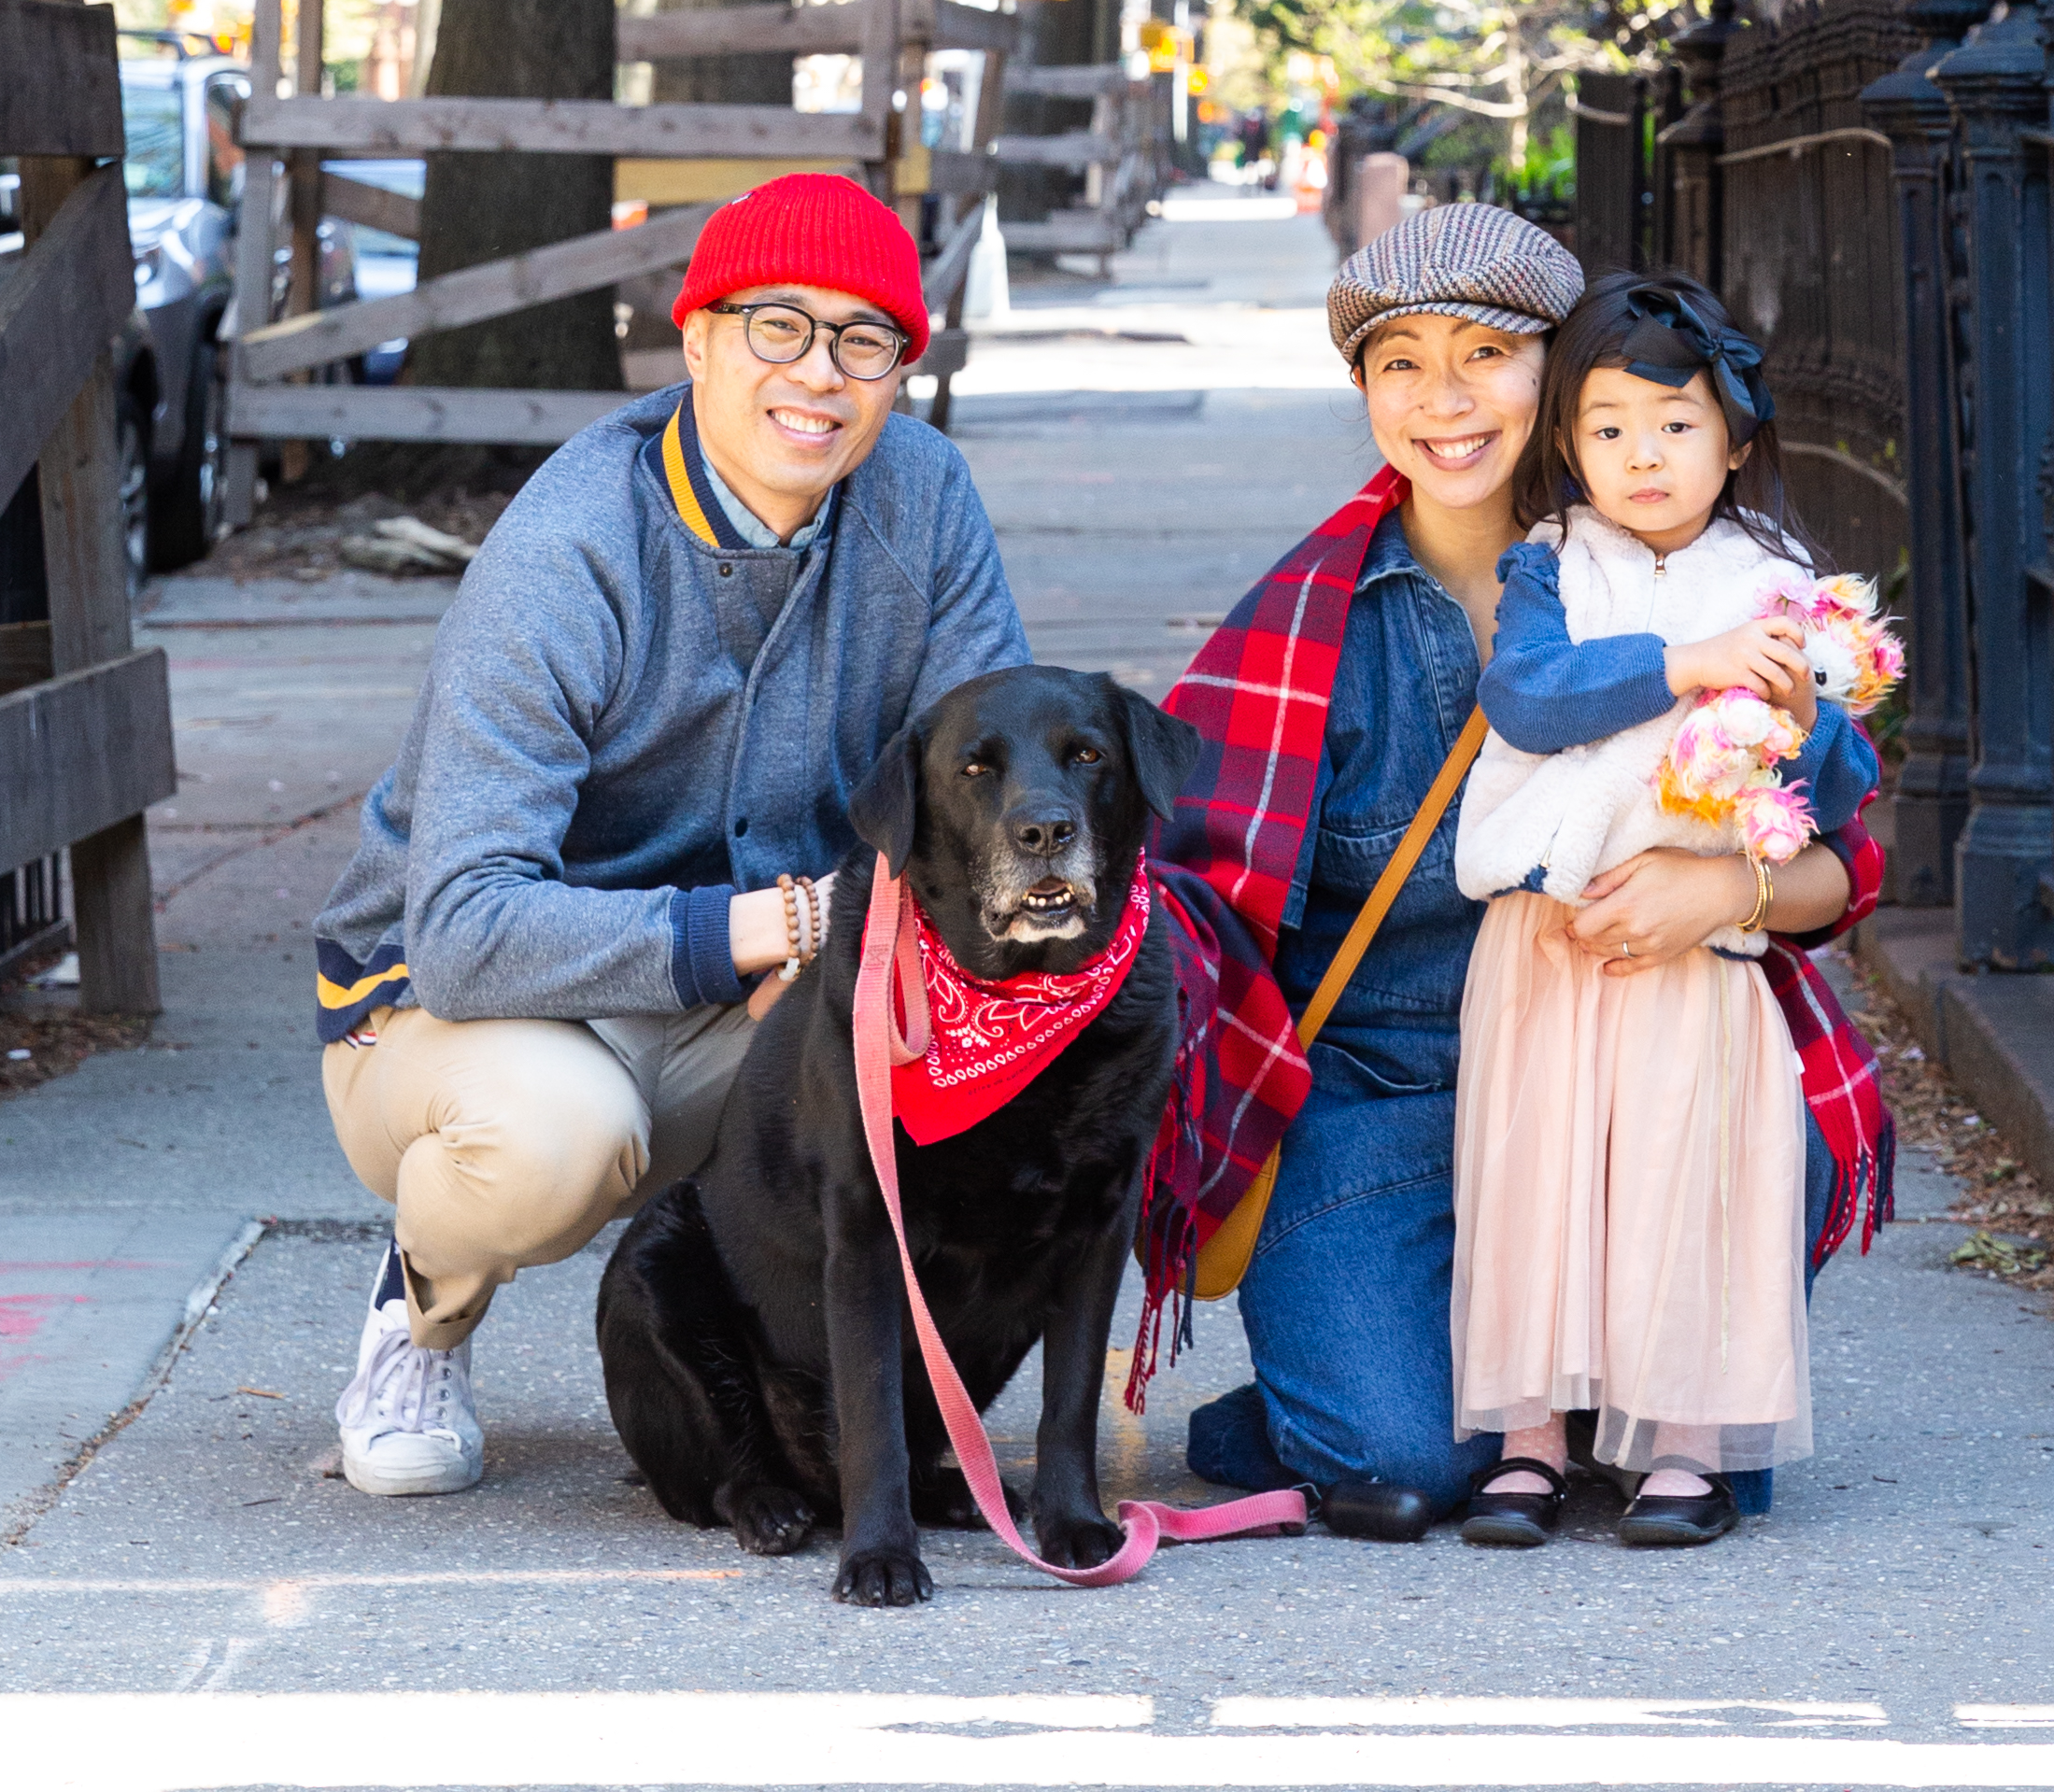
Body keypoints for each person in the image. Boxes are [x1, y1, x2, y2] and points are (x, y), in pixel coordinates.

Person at [1168, 206, 1891, 1542]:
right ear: (1364, 392)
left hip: (1641, 1057)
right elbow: (1189, 915)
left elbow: (1846, 869)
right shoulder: (1309, 628)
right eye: (1399, 364)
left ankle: (1593, 1393)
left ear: (1556, 383)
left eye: (1486, 356)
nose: (1443, 401)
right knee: (1401, 1462)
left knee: (1676, 1448)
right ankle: (1324, 1379)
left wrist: (1726, 895)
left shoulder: (1695, 582)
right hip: (1383, 1090)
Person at [314, 170, 1026, 1498]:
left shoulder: (923, 499)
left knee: (962, 1044)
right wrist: (787, 930)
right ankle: (421, 1310)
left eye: (864, 339)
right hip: (446, 1009)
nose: (820, 372)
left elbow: (976, 797)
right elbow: (466, 929)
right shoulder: (573, 543)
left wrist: (837, 974)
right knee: (556, 1142)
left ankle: (815, 1375)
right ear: (694, 338)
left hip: (750, 986)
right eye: (779, 326)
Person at [1450, 272, 1884, 1551]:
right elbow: (1528, 701)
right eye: (1605, 427)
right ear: (1566, 449)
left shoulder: (1782, 587)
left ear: (1735, 440)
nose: (1642, 454)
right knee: (1536, 1179)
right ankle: (1527, 1443)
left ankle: (1681, 1442)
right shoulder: (1546, 572)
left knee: (1678, 1184)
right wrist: (1679, 668)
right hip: (1541, 941)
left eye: (1676, 424)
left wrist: (1814, 726)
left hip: (1698, 951)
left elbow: (1835, 791)